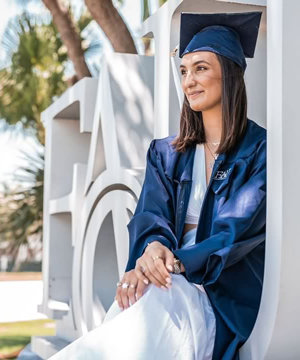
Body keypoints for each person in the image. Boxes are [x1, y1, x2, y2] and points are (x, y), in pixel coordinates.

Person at [49, 11, 266, 360]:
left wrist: (174, 263)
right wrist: (152, 250)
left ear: (229, 73)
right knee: (139, 296)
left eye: (201, 68)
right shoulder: (167, 154)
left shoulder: (259, 150)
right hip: (167, 280)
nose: (189, 80)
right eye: (183, 70)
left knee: (151, 300)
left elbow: (237, 229)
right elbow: (152, 215)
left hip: (221, 294)